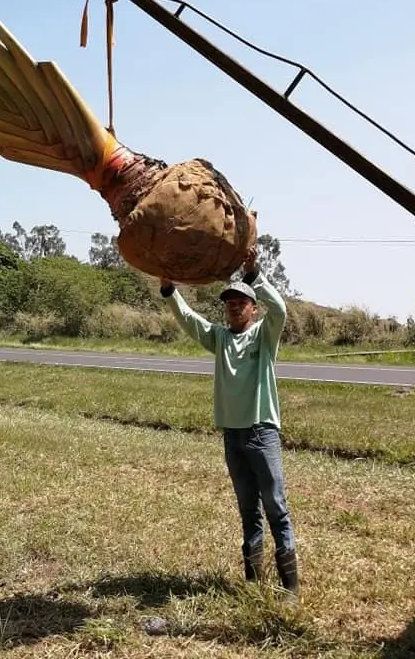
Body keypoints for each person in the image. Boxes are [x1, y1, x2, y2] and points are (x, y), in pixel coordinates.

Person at [159, 248, 298, 596]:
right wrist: (169, 290)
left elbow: (280, 309)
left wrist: (255, 275)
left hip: (262, 432)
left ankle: (290, 589)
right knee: (248, 510)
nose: (235, 306)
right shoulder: (220, 338)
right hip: (232, 436)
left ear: (253, 308)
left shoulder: (264, 337)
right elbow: (192, 322)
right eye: (230, 302)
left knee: (276, 507)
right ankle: (253, 583)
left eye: (242, 302)